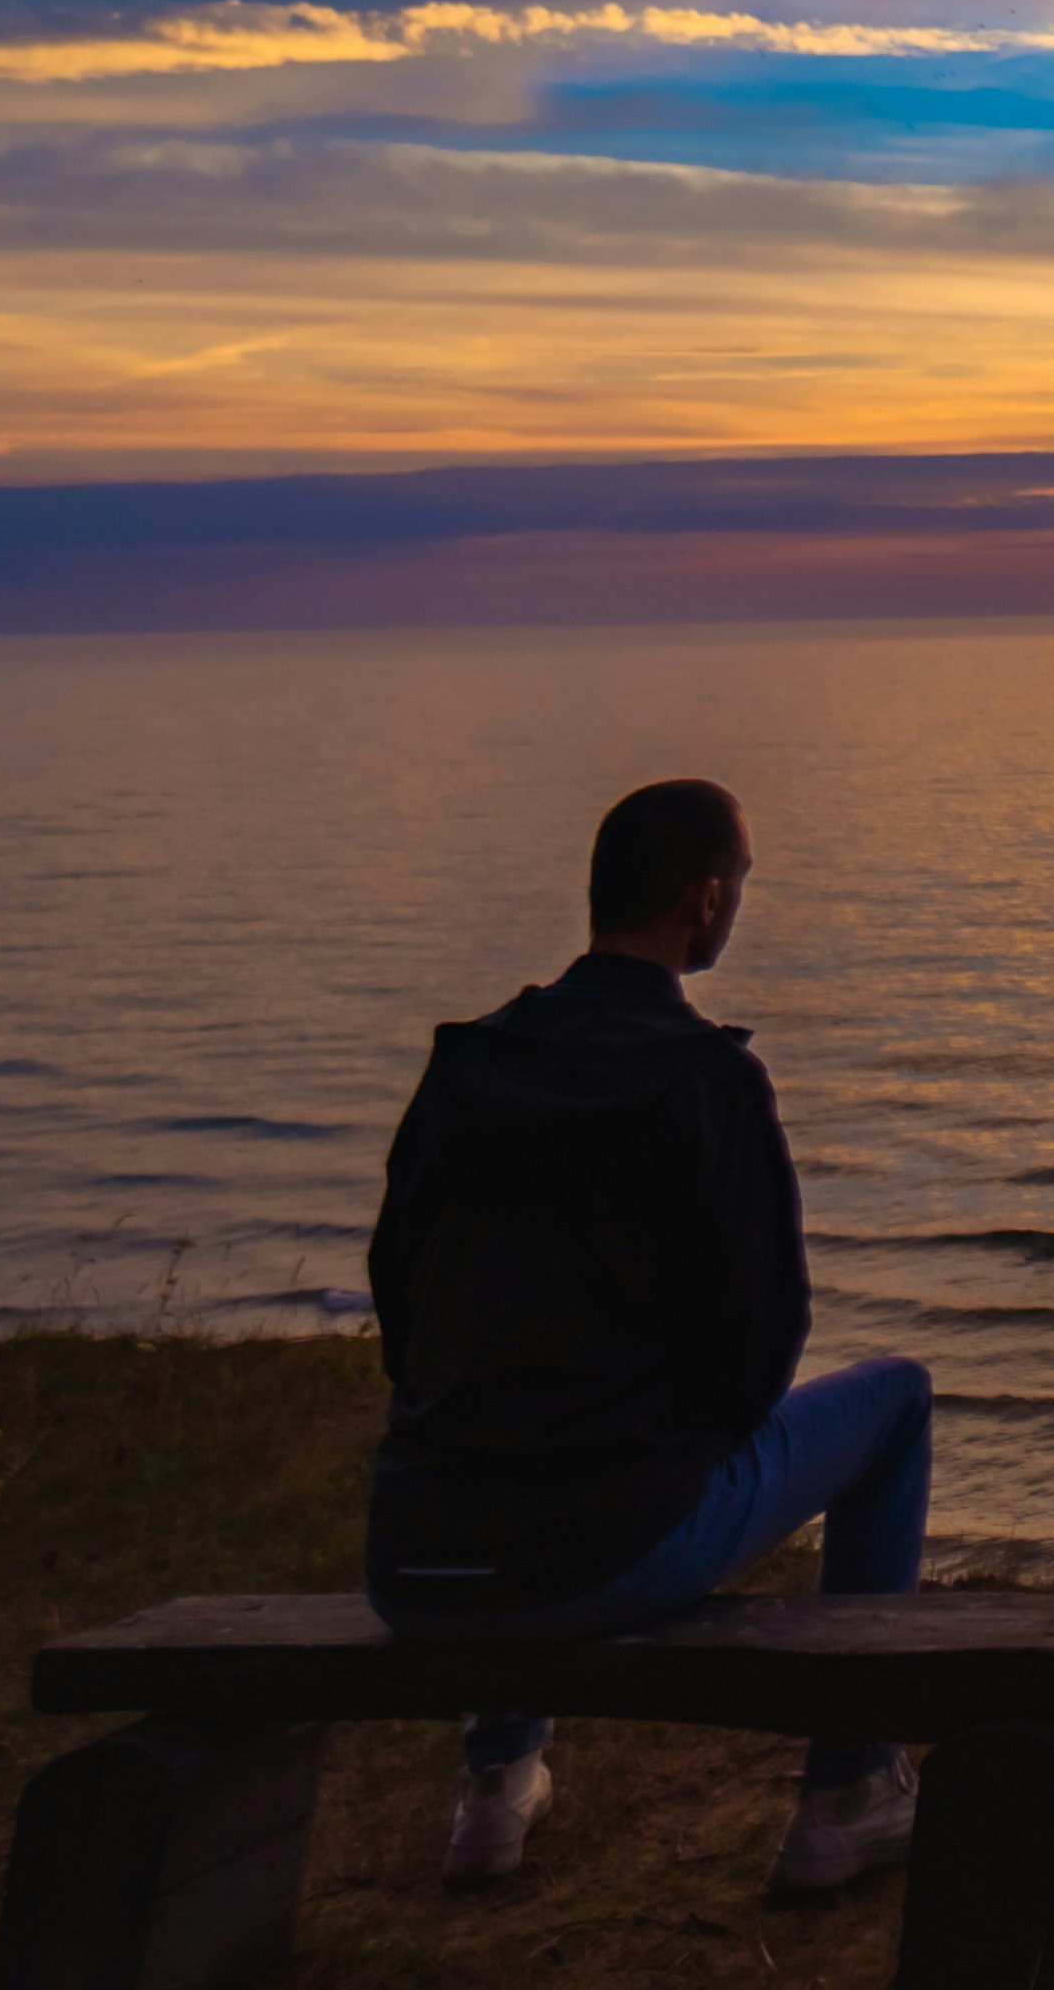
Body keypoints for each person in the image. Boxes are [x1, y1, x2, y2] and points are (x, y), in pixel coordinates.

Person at [364, 776, 934, 1898]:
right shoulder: (708, 1081)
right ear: (706, 898)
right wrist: (679, 1440)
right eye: (742, 887)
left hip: (415, 1554)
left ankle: (495, 1788)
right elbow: (762, 1344)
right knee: (896, 1398)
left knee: (524, 1407)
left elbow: (400, 1293)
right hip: (602, 1551)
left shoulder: (470, 1062)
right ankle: (850, 1790)